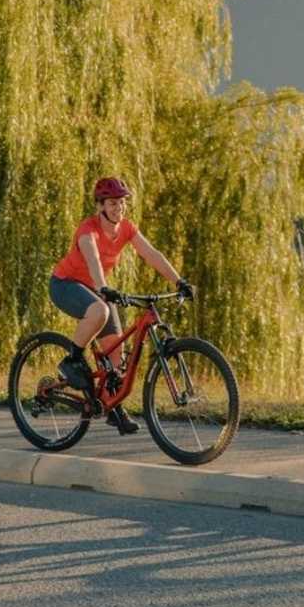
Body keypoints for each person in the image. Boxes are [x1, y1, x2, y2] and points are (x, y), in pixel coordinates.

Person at [50, 177, 195, 434]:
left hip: (97, 289)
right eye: (113, 203)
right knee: (100, 310)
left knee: (117, 356)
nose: (119, 208)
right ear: (101, 206)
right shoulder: (89, 229)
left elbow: (151, 254)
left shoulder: (126, 228)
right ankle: (72, 359)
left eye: (122, 203)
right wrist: (104, 288)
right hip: (65, 284)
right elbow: (93, 258)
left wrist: (179, 281)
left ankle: (112, 408)